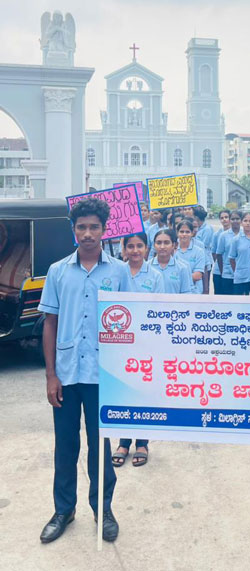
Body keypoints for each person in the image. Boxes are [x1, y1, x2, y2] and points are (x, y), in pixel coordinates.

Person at [38, 198, 132, 544]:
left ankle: (103, 509)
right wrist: (51, 375)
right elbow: (50, 323)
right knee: (65, 447)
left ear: (104, 230)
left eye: (94, 227)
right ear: (73, 230)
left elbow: (131, 321)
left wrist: (125, 376)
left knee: (100, 446)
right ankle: (64, 510)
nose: (88, 233)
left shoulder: (119, 272)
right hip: (66, 375)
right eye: (82, 227)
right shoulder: (58, 271)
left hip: (103, 376)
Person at [112, 233, 164, 469]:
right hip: (120, 339)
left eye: (139, 246)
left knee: (143, 390)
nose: (135, 250)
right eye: (130, 246)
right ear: (123, 248)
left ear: (147, 248)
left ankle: (142, 443)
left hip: (146, 341)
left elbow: (160, 309)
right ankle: (123, 442)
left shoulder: (155, 276)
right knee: (122, 390)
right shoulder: (116, 272)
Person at [228, 211, 250, 295]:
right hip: (240, 277)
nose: (248, 223)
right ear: (241, 222)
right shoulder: (236, 240)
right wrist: (237, 271)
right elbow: (232, 259)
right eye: (245, 221)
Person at [151, 229, 192, 293]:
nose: (162, 247)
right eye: (159, 243)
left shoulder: (182, 268)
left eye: (166, 243)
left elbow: (186, 293)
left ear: (173, 245)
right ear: (154, 245)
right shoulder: (147, 267)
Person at [175, 219, 206, 293]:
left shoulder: (199, 251)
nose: (184, 234)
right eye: (181, 231)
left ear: (192, 233)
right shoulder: (172, 250)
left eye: (187, 232)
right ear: (177, 233)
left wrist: (176, 278)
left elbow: (198, 275)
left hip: (194, 291)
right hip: (176, 290)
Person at [216, 210, 242, 295]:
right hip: (227, 274)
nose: (235, 221)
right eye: (233, 219)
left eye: (237, 219)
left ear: (241, 220)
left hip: (242, 275)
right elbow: (219, 254)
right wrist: (222, 271)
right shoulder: (223, 235)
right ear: (230, 220)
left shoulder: (244, 234)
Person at [194, 205, 214, 294]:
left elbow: (204, 246)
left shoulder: (207, 229)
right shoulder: (196, 227)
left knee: (205, 286)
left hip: (205, 260)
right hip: (196, 259)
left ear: (197, 217)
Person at [211, 209, 231, 295]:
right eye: (222, 218)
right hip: (218, 271)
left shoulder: (236, 233)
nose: (224, 219)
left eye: (226, 217)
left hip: (231, 271)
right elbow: (214, 252)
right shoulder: (216, 234)